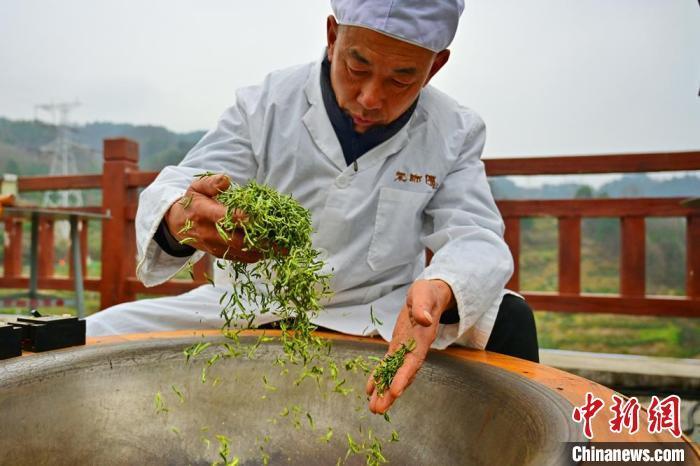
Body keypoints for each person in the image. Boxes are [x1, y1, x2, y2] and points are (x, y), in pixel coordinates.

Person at [87, 0, 539, 414]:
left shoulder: (453, 131)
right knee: (85, 338)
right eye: (356, 65)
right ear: (332, 35)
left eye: (402, 77)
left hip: (375, 313)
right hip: (250, 304)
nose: (370, 98)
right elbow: (185, 185)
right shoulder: (267, 103)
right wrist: (180, 217)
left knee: (508, 319)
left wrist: (441, 288)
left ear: (435, 65)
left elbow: (476, 236)